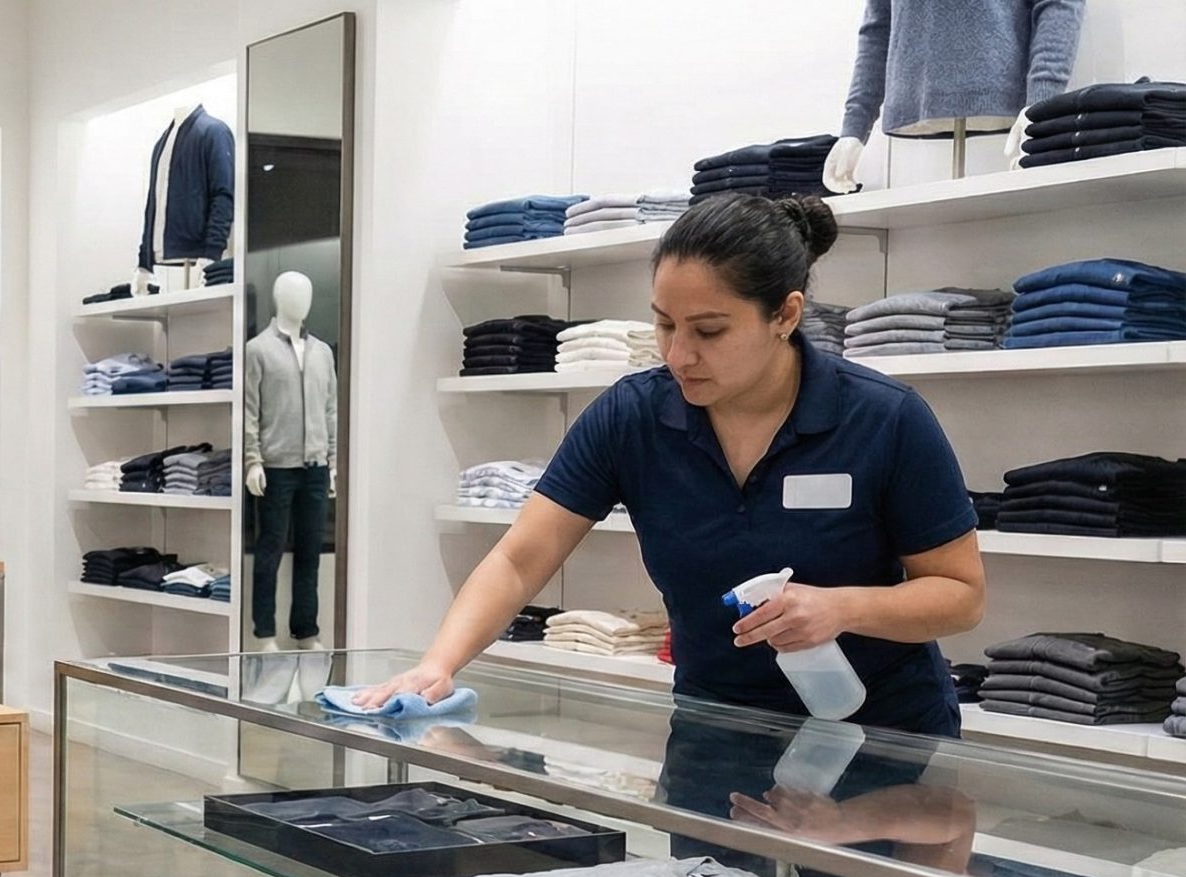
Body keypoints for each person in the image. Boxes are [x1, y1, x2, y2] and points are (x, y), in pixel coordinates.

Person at [359, 192, 984, 736]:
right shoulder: (632, 418)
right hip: (718, 726)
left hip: (883, 731)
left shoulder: (884, 418)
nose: (679, 354)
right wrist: (438, 663)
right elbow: (520, 559)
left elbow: (960, 596)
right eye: (663, 325)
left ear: (786, 316)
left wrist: (842, 608)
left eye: (709, 331)